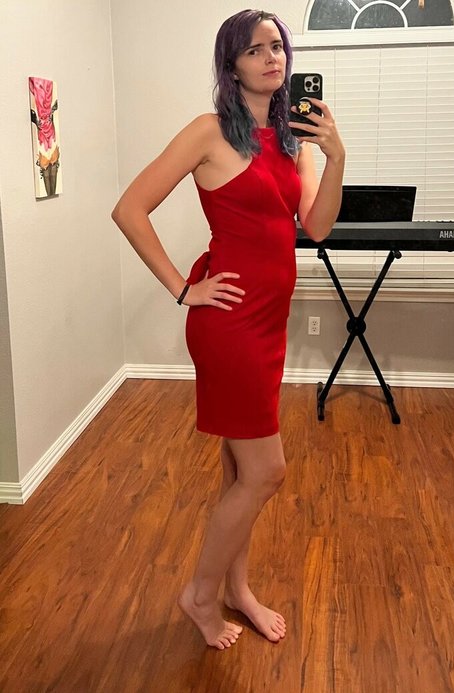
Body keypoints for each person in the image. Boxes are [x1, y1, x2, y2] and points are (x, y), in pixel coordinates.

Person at [111, 9, 345, 650]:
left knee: (240, 469)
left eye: (278, 46)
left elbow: (318, 227)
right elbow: (129, 208)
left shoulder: (293, 141)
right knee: (267, 472)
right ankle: (200, 594)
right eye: (255, 49)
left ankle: (237, 588)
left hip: (269, 323)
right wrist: (183, 287)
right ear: (231, 65)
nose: (272, 58)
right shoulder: (209, 132)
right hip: (230, 324)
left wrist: (336, 156)